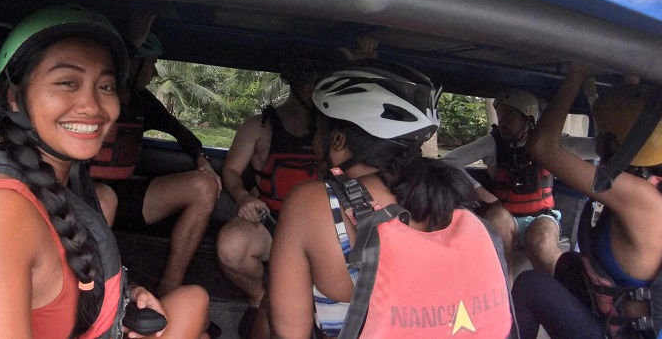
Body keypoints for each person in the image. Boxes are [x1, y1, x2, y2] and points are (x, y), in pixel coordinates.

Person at [0, 5, 211, 339]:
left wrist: (125, 300)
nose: (92, 105)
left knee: (194, 300)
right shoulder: (0, 215)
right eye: (67, 82)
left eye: (106, 86)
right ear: (14, 98)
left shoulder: (67, 184)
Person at [268, 61, 516, 339]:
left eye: (318, 131)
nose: (314, 141)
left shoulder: (313, 202)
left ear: (337, 140)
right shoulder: (452, 201)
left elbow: (289, 332)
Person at [512, 64, 662, 339]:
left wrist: (575, 74)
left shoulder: (640, 196)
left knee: (530, 284)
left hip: (618, 334)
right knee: (569, 265)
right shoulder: (650, 186)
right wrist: (631, 79)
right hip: (614, 320)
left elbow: (542, 146)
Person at [89, 21, 222, 297]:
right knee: (105, 199)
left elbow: (180, 132)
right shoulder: (94, 97)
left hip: (127, 195)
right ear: (132, 64)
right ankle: (94, 295)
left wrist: (201, 158)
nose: (152, 73)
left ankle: (168, 293)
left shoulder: (142, 101)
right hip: (85, 192)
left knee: (204, 187)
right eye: (150, 64)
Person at [216, 59, 329, 339]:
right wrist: (243, 197)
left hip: (317, 230)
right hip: (269, 225)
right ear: (302, 86)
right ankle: (260, 297)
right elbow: (230, 170)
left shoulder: (332, 133)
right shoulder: (259, 126)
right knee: (230, 245)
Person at [441, 89, 596, 274]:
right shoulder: (492, 143)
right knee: (497, 221)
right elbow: (447, 161)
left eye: (508, 116)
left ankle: (560, 289)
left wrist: (596, 105)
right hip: (506, 217)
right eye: (500, 116)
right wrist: (479, 191)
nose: (502, 123)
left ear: (528, 118)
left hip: (542, 216)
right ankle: (506, 290)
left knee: (543, 241)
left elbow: (595, 148)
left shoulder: (549, 142)